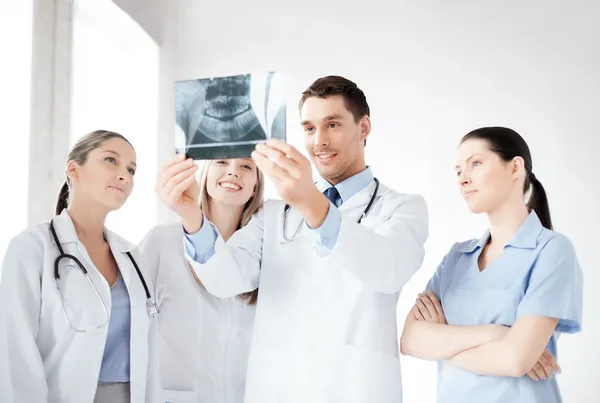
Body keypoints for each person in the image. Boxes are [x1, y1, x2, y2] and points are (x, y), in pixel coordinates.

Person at [157, 76, 429, 402]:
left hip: (355, 389)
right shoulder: (274, 215)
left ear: (364, 127)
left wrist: (311, 202)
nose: (319, 141)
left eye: (332, 125)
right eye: (310, 128)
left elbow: (388, 269)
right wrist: (190, 215)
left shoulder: (402, 208)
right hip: (279, 389)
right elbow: (224, 278)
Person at [400, 127, 583, 402]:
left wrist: (443, 341)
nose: (463, 179)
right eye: (458, 171)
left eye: (475, 163)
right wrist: (497, 333)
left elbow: (515, 360)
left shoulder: (551, 251)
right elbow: (411, 341)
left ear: (515, 168)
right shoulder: (456, 259)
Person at [0, 130, 160, 403]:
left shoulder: (131, 255)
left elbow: (149, 350)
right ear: (74, 169)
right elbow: (14, 351)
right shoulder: (32, 247)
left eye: (131, 169)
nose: (125, 175)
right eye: (111, 160)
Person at [139, 157, 264, 402]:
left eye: (246, 166)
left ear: (255, 188)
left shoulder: (265, 253)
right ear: (204, 175)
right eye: (221, 162)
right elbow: (131, 324)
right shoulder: (163, 242)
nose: (233, 172)